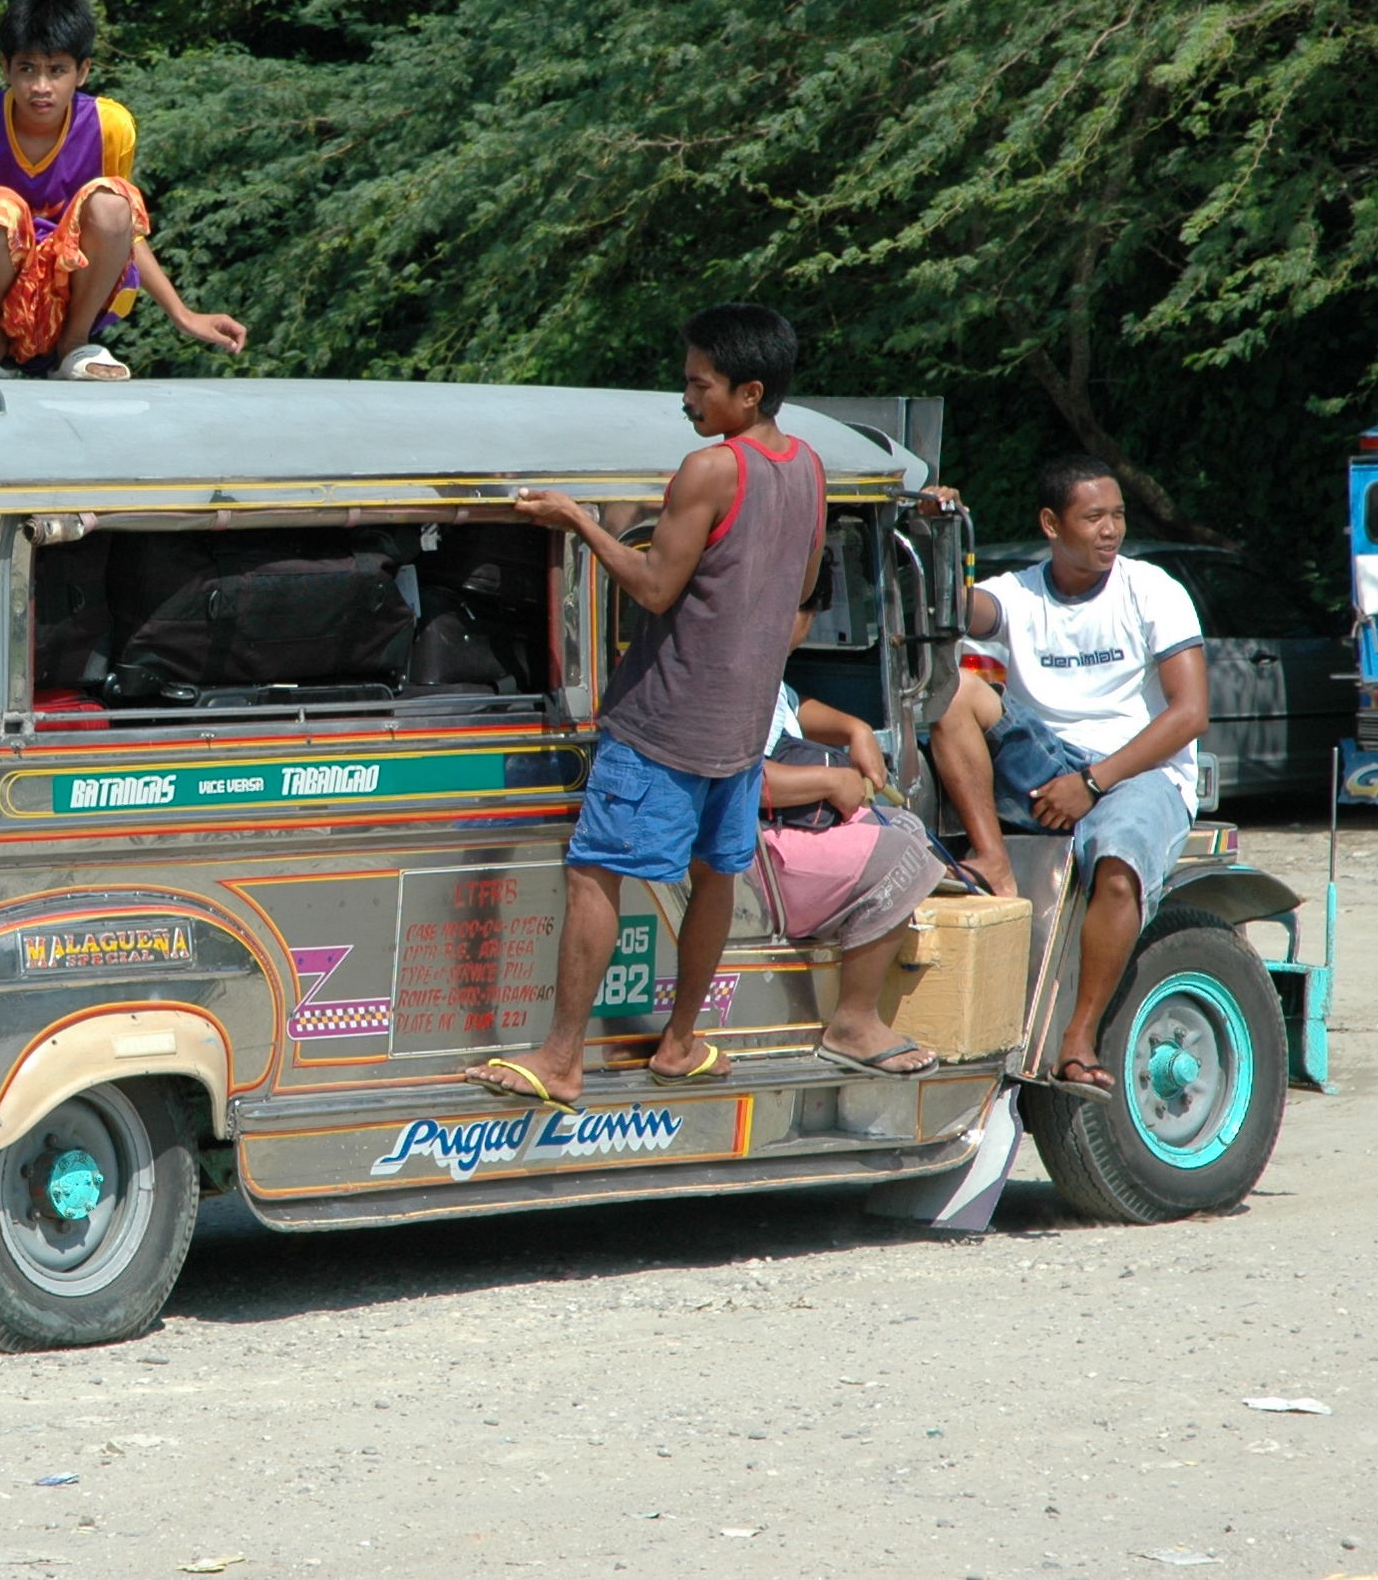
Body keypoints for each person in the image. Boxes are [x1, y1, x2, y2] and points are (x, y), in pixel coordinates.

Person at [466, 302, 823, 1110]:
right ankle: (681, 1040)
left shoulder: (712, 470)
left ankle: (561, 1058)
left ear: (748, 390)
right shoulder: (808, 466)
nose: (687, 400)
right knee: (716, 874)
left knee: (595, 872)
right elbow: (801, 589)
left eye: (699, 385)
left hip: (665, 719)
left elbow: (658, 588)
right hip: (740, 725)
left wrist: (579, 522)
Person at [928, 455, 1208, 1102]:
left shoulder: (1153, 590)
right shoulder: (1019, 594)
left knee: (1116, 861)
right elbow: (951, 607)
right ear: (1052, 524)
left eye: (1117, 515)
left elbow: (1190, 713)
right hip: (1046, 761)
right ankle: (991, 856)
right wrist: (934, 530)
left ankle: (1078, 1038)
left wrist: (1094, 781)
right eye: (1093, 517)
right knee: (951, 692)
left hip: (1137, 771)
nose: (1110, 529)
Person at [0, 0, 248, 383]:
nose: (41, 87)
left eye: (57, 70)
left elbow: (121, 230)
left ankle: (74, 346)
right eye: (27, 69)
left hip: (69, 302)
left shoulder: (110, 126)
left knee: (115, 200)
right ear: (6, 67)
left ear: (82, 72)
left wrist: (182, 315)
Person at [754, 566, 942, 1078]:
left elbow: (791, 709)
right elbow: (737, 779)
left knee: (907, 829)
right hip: (751, 853)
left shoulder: (758, 665)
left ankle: (857, 989)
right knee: (903, 856)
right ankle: (853, 1023)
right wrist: (825, 782)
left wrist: (854, 728)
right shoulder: (730, 671)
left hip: (776, 837)